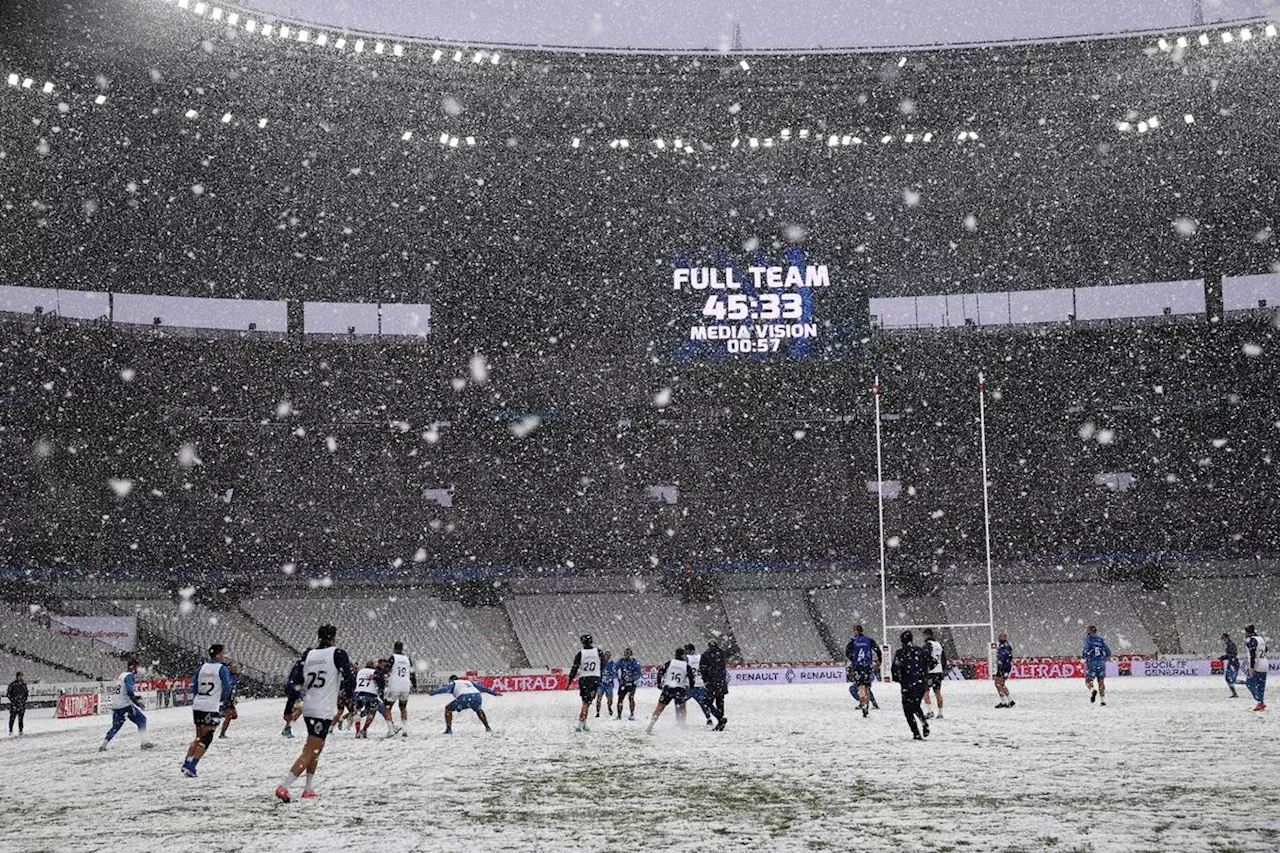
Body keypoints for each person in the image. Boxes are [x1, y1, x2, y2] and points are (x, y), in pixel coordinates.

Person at [276, 625, 356, 802]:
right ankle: (284, 786)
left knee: (315, 748)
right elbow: (350, 678)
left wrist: (289, 708)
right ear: (334, 638)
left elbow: (294, 682)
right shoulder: (337, 653)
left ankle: (308, 788)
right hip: (323, 709)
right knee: (311, 750)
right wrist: (349, 696)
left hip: (309, 708)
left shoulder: (308, 654)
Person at [182, 644, 233, 777]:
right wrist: (220, 700)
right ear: (217, 655)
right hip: (211, 706)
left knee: (198, 736)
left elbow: (193, 687)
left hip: (198, 704)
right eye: (223, 653)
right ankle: (192, 766)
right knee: (207, 737)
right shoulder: (222, 669)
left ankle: (187, 763)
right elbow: (227, 688)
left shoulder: (201, 668)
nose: (224, 655)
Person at [101, 660, 154, 751]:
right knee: (142, 720)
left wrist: (135, 697)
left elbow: (123, 691)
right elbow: (129, 691)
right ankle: (144, 743)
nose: (138, 669)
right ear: (132, 667)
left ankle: (104, 745)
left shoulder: (122, 675)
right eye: (137, 667)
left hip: (116, 704)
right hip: (124, 705)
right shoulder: (129, 676)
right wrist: (137, 703)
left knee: (116, 726)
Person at [645, 648, 698, 734]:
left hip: (668, 688)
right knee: (682, 707)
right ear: (683, 655)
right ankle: (682, 723)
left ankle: (651, 724)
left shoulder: (670, 663)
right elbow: (692, 678)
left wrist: (659, 683)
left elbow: (660, 672)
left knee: (660, 707)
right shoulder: (686, 665)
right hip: (680, 689)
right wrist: (690, 688)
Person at [890, 630, 930, 740]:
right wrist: (924, 674)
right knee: (916, 705)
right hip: (920, 683)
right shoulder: (920, 651)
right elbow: (932, 662)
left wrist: (898, 679)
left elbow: (894, 668)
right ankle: (924, 722)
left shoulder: (900, 653)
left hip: (907, 684)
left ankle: (916, 732)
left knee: (907, 710)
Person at [431, 675, 502, 734]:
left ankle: (448, 729)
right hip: (477, 696)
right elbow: (482, 688)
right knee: (478, 710)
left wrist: (433, 692)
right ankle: (487, 727)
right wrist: (494, 693)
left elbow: (444, 689)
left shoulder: (454, 683)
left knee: (448, 708)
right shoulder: (468, 682)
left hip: (465, 697)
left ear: (451, 680)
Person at [566, 634, 603, 732]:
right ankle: (583, 723)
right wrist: (600, 678)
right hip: (594, 678)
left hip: (584, 679)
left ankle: (581, 723)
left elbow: (575, 668)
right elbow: (603, 666)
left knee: (585, 702)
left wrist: (569, 680)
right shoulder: (598, 652)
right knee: (587, 703)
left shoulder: (580, 653)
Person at [683, 643, 726, 728]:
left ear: (687, 650)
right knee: (704, 703)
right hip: (700, 684)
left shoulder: (686, 658)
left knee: (680, 702)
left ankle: (680, 721)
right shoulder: (700, 656)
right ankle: (709, 718)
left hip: (689, 685)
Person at [352, 659, 397, 739]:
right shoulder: (375, 672)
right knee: (372, 712)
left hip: (359, 693)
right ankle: (365, 729)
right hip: (371, 694)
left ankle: (357, 731)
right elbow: (380, 682)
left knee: (357, 712)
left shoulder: (360, 672)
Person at [846, 625, 878, 718]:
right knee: (867, 687)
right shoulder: (868, 640)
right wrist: (879, 659)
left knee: (860, 687)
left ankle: (863, 702)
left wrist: (854, 659)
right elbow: (877, 650)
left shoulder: (853, 641)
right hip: (867, 666)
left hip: (859, 667)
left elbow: (847, 652)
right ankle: (866, 706)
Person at [699, 638, 729, 721]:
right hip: (721, 682)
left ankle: (719, 717)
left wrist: (705, 679)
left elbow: (702, 669)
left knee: (707, 701)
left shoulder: (705, 655)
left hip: (711, 682)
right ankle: (721, 717)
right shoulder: (722, 653)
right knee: (720, 702)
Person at [385, 641, 414, 729]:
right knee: (403, 707)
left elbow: (386, 670)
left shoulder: (393, 658)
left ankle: (390, 729)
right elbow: (412, 673)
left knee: (387, 707)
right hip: (405, 686)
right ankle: (405, 728)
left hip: (395, 685)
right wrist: (415, 684)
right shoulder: (407, 659)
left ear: (394, 648)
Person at [1082, 626, 1112, 706]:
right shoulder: (1101, 640)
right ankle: (1102, 700)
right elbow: (1108, 652)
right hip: (1101, 663)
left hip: (1091, 662)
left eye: (1087, 629)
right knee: (1101, 681)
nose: (1086, 631)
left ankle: (1092, 690)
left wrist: (1084, 657)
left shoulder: (1088, 639)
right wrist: (1104, 658)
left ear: (1090, 631)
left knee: (1088, 681)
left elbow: (1086, 649)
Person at [921, 627, 946, 720]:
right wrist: (942, 669)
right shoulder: (939, 645)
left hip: (930, 672)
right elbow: (944, 659)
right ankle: (940, 713)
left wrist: (926, 668)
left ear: (926, 635)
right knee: (938, 692)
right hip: (938, 671)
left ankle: (929, 711)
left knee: (926, 691)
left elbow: (925, 657)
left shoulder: (928, 645)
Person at [1244, 624, 1269, 711]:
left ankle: (1259, 701)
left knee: (1249, 683)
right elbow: (1266, 649)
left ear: (1248, 632)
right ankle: (1261, 703)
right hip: (1264, 663)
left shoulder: (1252, 640)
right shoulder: (1260, 639)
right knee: (1261, 686)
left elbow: (1252, 655)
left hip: (1257, 665)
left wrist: (1252, 667)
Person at [282, 657, 305, 738]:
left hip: (293, 687)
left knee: (298, 708)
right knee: (300, 708)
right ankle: (287, 727)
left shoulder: (300, 662)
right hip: (295, 688)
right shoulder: (305, 663)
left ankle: (288, 726)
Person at [615, 648, 642, 720]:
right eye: (626, 653)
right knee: (620, 699)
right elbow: (615, 669)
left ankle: (632, 714)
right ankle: (619, 715)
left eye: (628, 653)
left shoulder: (634, 662)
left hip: (631, 683)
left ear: (631, 654)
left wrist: (633, 678)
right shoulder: (621, 661)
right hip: (623, 683)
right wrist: (618, 678)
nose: (627, 655)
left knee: (631, 698)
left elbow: (639, 672)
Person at [218, 663, 240, 739]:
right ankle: (222, 734)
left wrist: (234, 697)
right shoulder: (226, 676)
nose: (235, 669)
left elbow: (234, 688)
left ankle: (220, 714)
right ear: (229, 668)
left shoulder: (234, 676)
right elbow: (225, 687)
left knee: (234, 716)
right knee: (229, 716)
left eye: (236, 667)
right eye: (233, 667)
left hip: (230, 698)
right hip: (226, 699)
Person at [994, 633, 1015, 708]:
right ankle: (1010, 700)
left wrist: (1001, 662)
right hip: (1004, 666)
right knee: (1001, 684)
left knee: (998, 684)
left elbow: (1007, 656)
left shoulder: (1004, 646)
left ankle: (1004, 701)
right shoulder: (1005, 645)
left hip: (1003, 667)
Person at [595, 651, 617, 719]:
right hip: (601, 684)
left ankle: (609, 707)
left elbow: (615, 674)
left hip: (609, 684)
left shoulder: (612, 664)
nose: (607, 657)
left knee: (610, 699)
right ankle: (597, 712)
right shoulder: (600, 663)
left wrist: (610, 676)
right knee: (599, 698)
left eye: (609, 655)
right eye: (606, 655)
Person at [6, 672, 27, 737]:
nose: (21, 677)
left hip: (21, 704)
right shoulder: (12, 685)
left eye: (21, 676)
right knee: (12, 718)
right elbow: (9, 694)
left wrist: (23, 700)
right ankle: (10, 730)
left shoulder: (23, 685)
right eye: (20, 676)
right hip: (14, 704)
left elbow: (26, 694)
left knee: (21, 719)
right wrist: (14, 701)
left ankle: (21, 730)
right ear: (17, 676)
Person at [1220, 633, 1241, 699]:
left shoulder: (1231, 645)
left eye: (1224, 638)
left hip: (1233, 664)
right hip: (1232, 663)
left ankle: (1248, 683)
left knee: (1231, 680)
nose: (1224, 640)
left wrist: (1224, 657)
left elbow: (1233, 654)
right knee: (1228, 679)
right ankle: (1234, 693)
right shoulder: (1229, 644)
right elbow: (1231, 655)